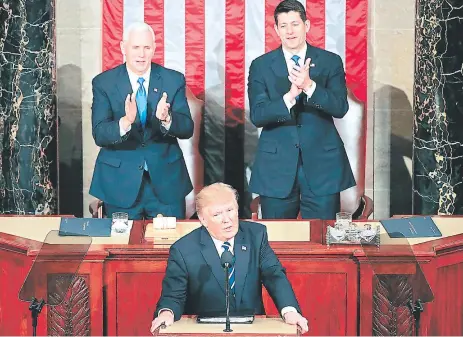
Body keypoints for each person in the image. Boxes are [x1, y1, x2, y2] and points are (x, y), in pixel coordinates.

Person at [150, 183, 309, 334]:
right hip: (205, 330)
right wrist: (166, 313)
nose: (227, 219)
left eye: (230, 210)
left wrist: (289, 311)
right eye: (217, 214)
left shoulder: (255, 236)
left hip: (251, 328)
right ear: (203, 219)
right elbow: (173, 295)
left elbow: (274, 276)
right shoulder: (184, 249)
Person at [248, 0, 355, 220]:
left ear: (306, 25)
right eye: (284, 25)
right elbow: (258, 115)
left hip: (322, 166)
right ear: (276, 30)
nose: (290, 31)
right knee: (277, 241)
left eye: (295, 24)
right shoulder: (260, 65)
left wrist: (309, 86)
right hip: (276, 168)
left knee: (323, 240)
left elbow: (340, 107)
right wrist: (289, 97)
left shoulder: (330, 62)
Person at [89, 22, 193, 220]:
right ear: (123, 48)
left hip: (166, 183)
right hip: (120, 184)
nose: (141, 54)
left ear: (154, 48)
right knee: (121, 247)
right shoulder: (104, 83)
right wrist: (125, 122)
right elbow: (100, 134)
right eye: (135, 47)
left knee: (171, 246)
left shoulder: (173, 80)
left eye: (147, 48)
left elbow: (187, 128)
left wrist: (167, 119)